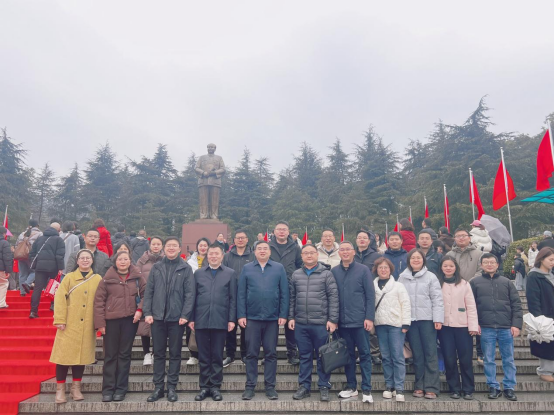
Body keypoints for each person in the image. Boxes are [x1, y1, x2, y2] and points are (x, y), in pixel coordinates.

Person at [143, 237, 195, 403]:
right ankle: (158, 387)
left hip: (177, 319)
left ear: (179, 249)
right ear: (164, 249)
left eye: (174, 246)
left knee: (175, 353)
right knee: (158, 353)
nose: (171, 248)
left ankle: (172, 386)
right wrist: (147, 312)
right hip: (157, 317)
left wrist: (185, 315)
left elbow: (190, 294)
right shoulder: (157, 267)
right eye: (168, 246)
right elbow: (149, 291)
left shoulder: (185, 268)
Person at [238, 240, 289, 401]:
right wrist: (241, 315)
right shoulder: (247, 268)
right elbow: (241, 293)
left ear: (270, 251)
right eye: (259, 248)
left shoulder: (278, 268)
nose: (262, 251)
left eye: (265, 248)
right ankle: (250, 386)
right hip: (252, 318)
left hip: (272, 318)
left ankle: (270, 387)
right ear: (254, 252)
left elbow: (284, 293)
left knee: (271, 353)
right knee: (251, 353)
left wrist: (283, 314)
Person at [50, 249, 102, 404]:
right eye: (82, 258)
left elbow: (101, 301)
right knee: (63, 357)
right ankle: (60, 390)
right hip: (69, 324)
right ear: (77, 261)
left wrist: (99, 322)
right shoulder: (69, 277)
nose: (85, 260)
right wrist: (60, 319)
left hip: (88, 324)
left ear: (92, 260)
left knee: (81, 358)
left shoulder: (97, 278)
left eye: (88, 258)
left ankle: (76, 388)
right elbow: (59, 297)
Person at [289, 244, 339, 402]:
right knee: (304, 356)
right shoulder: (296, 274)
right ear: (302, 256)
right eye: (305, 253)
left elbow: (333, 298)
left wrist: (332, 320)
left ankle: (324, 386)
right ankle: (304, 386)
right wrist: (291, 317)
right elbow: (292, 298)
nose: (309, 255)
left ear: (317, 255)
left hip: (321, 323)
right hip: (301, 323)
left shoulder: (326, 274)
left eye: (311, 253)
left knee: (323, 356)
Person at [94, 251, 146, 402]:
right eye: (120, 259)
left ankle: (121, 389)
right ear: (115, 262)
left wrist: (140, 310)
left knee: (124, 354)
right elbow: (99, 302)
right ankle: (108, 389)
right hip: (111, 321)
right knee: (110, 355)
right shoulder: (106, 279)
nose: (123, 262)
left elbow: (146, 295)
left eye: (125, 259)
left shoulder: (137, 277)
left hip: (130, 321)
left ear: (130, 261)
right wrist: (100, 324)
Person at [470, 253, 522, 402]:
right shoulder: (475, 282)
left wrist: (516, 324)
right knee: (488, 359)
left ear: (497, 264)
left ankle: (509, 387)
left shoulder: (507, 282)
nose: (489, 264)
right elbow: (471, 305)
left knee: (508, 359)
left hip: (505, 326)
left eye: (492, 262)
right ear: (481, 265)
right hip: (485, 327)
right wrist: (474, 323)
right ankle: (493, 386)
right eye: (486, 262)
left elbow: (516, 304)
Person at [189, 244, 237, 402]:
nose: (214, 256)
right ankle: (204, 387)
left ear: (222, 256)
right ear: (207, 256)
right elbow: (193, 297)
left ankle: (215, 386)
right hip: (201, 319)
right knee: (203, 356)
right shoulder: (198, 273)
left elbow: (233, 298)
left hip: (220, 319)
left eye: (217, 254)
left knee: (217, 355)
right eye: (211, 254)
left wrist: (231, 319)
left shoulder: (230, 273)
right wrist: (191, 318)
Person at [332, 241, 375, 403]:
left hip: (360, 321)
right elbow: (332, 296)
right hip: (342, 323)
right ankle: (351, 386)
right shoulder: (334, 271)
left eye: (348, 249)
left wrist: (369, 317)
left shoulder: (363, 270)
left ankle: (367, 388)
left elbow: (370, 295)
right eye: (342, 250)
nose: (345, 252)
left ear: (353, 252)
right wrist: (334, 319)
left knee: (365, 354)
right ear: (339, 253)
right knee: (348, 356)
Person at [399, 249, 444, 400]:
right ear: (409, 260)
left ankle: (431, 387)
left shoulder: (431, 277)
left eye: (418, 258)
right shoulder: (402, 277)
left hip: (427, 320)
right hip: (410, 321)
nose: (416, 260)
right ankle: (419, 385)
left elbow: (437, 299)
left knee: (430, 353)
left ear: (423, 260)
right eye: (413, 258)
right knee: (417, 354)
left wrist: (438, 319)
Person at [437, 256, 478, 400]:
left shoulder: (464, 284)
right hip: (445, 327)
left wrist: (473, 326)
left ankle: (468, 389)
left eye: (451, 266)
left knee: (465, 359)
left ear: (456, 268)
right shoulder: (438, 284)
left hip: (463, 326)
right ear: (441, 268)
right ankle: (454, 388)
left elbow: (471, 306)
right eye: (445, 266)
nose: (448, 268)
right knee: (449, 358)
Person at [372, 257, 411, 403]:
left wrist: (406, 323)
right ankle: (389, 386)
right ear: (376, 270)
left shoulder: (398, 286)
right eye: (380, 267)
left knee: (397, 356)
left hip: (396, 324)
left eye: (386, 267)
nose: (383, 270)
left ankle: (399, 387)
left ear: (390, 270)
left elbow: (405, 304)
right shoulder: (373, 285)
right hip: (380, 324)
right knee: (386, 357)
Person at [269, 221, 302, 365]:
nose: (281, 232)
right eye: (279, 229)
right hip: (271, 289)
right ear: (274, 232)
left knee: (290, 322)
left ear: (288, 232)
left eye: (284, 229)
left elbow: (300, 265)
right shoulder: (268, 247)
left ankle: (292, 353)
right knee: (271, 324)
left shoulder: (295, 247)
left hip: (290, 289)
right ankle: (270, 353)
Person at [222, 230, 254, 367]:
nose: (240, 240)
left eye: (243, 238)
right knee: (230, 326)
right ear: (234, 240)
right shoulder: (227, 256)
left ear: (247, 240)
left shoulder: (253, 256)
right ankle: (230, 354)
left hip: (248, 295)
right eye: (238, 238)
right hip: (230, 295)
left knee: (246, 327)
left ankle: (245, 354)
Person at [526, 247, 554, 382]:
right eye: (551, 259)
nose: (553, 262)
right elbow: (533, 299)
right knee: (546, 343)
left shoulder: (551, 275)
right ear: (541, 259)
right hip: (544, 315)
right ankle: (545, 371)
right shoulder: (534, 276)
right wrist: (538, 317)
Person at [354, 229, 382, 365]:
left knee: (372, 326)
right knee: (358, 326)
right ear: (356, 240)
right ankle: (360, 352)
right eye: (359, 237)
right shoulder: (352, 255)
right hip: (355, 294)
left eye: (364, 238)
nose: (362, 240)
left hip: (372, 293)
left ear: (369, 241)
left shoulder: (376, 256)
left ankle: (374, 353)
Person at [136, 236, 165, 366]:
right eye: (154, 244)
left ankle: (155, 352)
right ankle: (147, 353)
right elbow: (137, 277)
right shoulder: (142, 260)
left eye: (158, 244)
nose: (156, 246)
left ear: (162, 246)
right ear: (150, 245)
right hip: (146, 296)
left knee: (159, 326)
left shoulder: (166, 259)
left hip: (162, 297)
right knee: (145, 325)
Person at [28, 223, 65, 319]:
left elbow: (32, 253)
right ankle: (53, 305)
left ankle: (33, 311)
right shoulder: (59, 240)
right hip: (54, 267)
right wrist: (61, 268)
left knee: (37, 289)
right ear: (58, 230)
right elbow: (59, 256)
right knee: (55, 287)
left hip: (40, 267)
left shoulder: (40, 239)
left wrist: (36, 263)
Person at [185, 237, 211, 365]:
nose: (203, 248)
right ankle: (193, 354)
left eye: (205, 245)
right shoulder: (190, 262)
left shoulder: (212, 260)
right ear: (197, 247)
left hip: (207, 297)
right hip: (192, 296)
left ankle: (205, 354)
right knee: (190, 326)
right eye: (201, 245)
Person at [16, 219, 42, 296]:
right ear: (37, 225)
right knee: (35, 271)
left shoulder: (22, 234)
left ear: (29, 225)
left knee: (22, 274)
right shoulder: (39, 234)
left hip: (21, 255)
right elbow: (40, 246)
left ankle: (22, 292)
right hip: (32, 256)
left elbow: (17, 244)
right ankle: (27, 283)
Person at [0, 227, 13, 309]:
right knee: (3, 283)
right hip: (1, 268)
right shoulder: (4, 243)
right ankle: (1, 303)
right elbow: (7, 258)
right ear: (4, 234)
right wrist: (8, 270)